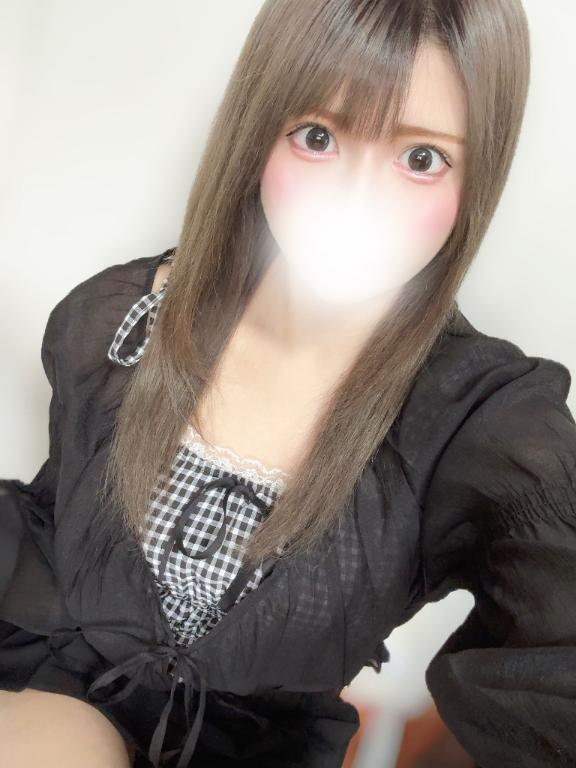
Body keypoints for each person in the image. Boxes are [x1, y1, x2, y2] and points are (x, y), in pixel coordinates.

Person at [2, 1, 575, 767]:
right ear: (260, 129)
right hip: (56, 701)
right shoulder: (117, 324)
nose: (358, 199)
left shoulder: (479, 422)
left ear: (477, 175)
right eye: (318, 137)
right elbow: (48, 527)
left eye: (421, 158)